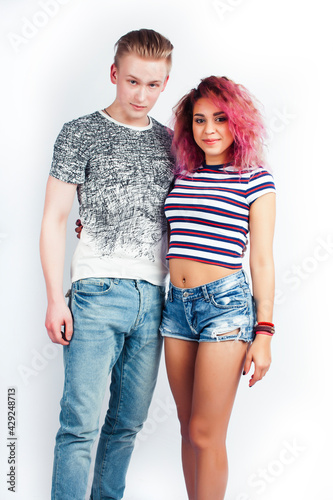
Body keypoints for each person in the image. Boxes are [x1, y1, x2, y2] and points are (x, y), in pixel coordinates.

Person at [40, 29, 174, 500]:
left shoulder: (173, 143)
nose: (142, 95)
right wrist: (57, 298)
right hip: (96, 295)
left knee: (127, 425)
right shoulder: (80, 132)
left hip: (155, 300)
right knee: (79, 425)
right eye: (133, 81)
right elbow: (56, 219)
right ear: (114, 74)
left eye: (154, 85)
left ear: (166, 82)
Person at [160, 76, 276, 500]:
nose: (209, 129)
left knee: (206, 433)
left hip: (225, 309)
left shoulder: (255, 180)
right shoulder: (182, 175)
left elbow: (261, 259)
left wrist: (264, 333)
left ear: (238, 123)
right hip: (175, 308)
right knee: (187, 429)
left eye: (221, 119)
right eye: (200, 120)